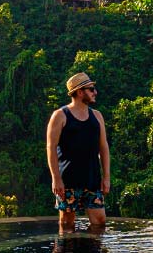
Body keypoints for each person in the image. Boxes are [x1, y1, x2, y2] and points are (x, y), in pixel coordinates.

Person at [46, 71, 110, 232]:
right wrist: (56, 178)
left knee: (100, 221)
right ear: (80, 92)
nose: (95, 92)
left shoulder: (97, 116)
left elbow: (104, 147)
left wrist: (106, 177)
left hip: (92, 178)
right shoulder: (60, 116)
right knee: (67, 224)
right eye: (91, 89)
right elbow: (51, 147)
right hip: (67, 180)